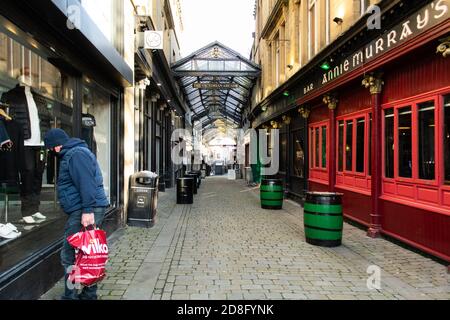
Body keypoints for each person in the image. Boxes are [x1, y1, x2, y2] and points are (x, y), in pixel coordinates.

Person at [43, 128, 109, 300]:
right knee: (87, 253)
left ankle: (71, 296)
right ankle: (88, 295)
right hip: (87, 208)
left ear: (56, 147)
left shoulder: (75, 155)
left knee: (70, 254)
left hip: (85, 210)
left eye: (51, 150)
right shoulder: (76, 153)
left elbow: (86, 183)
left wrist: (87, 211)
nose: (52, 153)